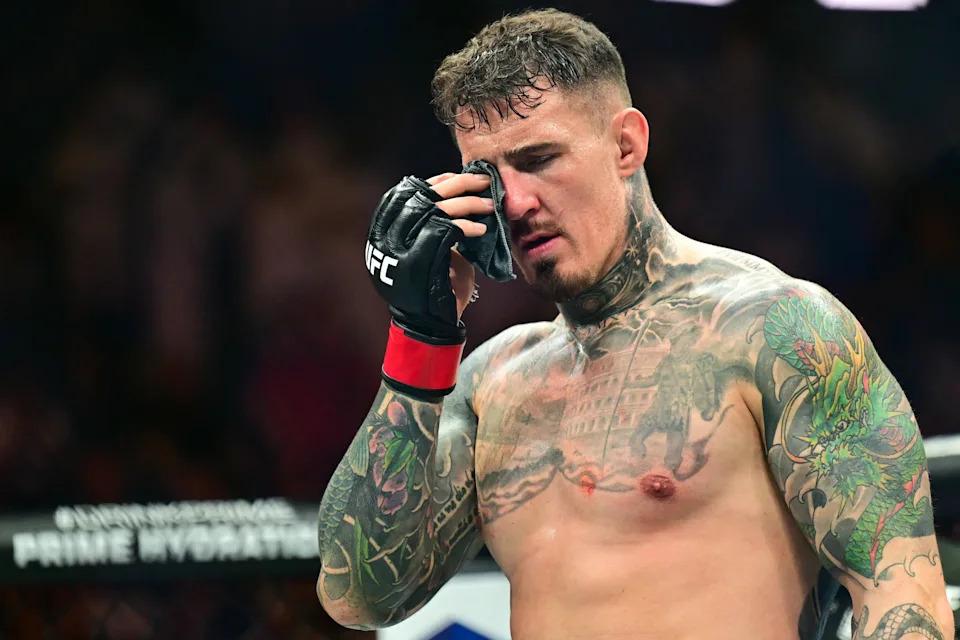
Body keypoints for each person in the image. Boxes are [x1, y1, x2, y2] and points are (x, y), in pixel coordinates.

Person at [315, 9, 954, 640]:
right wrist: (420, 338)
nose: (516, 202)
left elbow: (902, 594)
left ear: (626, 145)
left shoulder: (776, 330)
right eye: (489, 178)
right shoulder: (492, 384)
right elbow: (357, 597)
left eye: (539, 159)